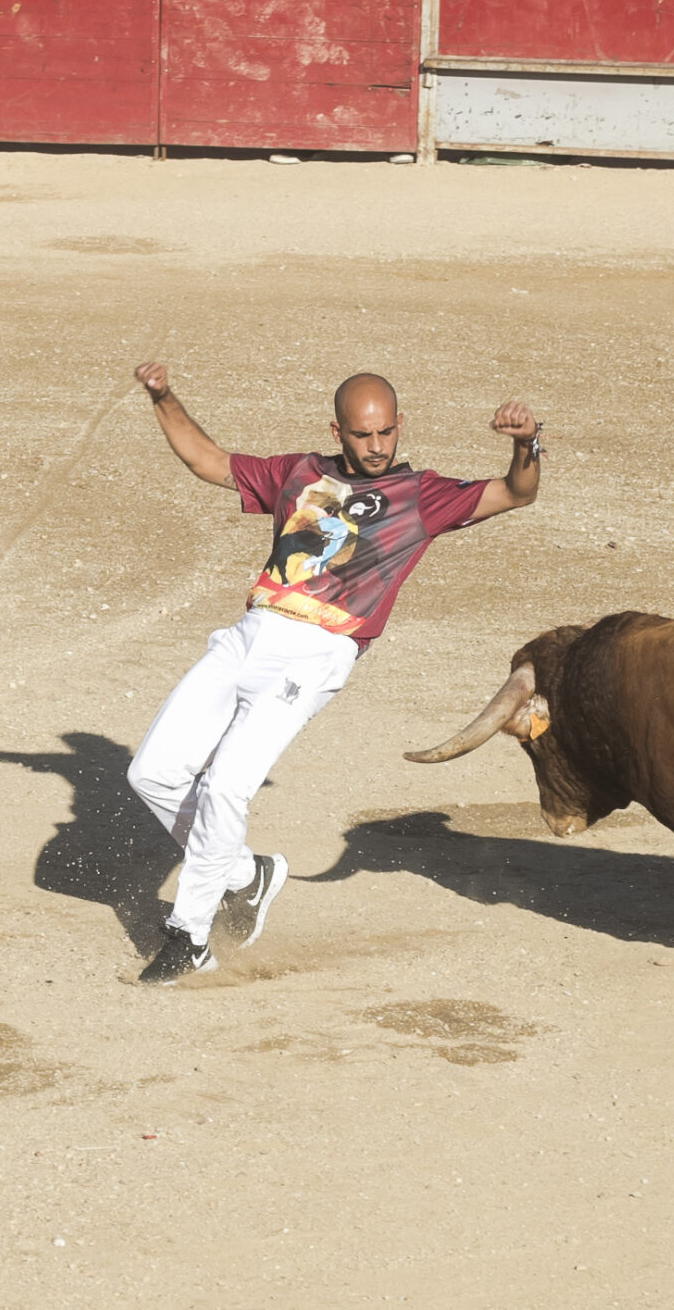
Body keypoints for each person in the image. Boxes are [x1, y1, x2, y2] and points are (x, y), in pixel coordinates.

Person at [122, 364, 541, 984]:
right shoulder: (297, 474)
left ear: (400, 427)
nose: (377, 447)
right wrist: (163, 396)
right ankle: (246, 876)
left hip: (318, 651)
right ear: (338, 432)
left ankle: (189, 935)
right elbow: (206, 460)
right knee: (150, 772)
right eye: (363, 435)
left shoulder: (421, 495)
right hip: (248, 636)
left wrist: (525, 441)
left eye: (386, 433)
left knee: (226, 787)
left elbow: (517, 492)